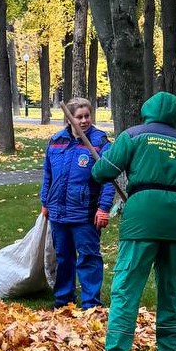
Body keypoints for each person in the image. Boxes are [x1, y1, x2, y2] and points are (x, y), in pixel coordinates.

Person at [90, 91, 176, 351]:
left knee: (126, 288)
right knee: (170, 286)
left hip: (142, 215)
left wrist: (102, 162)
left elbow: (103, 170)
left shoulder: (133, 135)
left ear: (147, 110)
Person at [41, 97, 114, 309]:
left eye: (87, 116)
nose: (84, 121)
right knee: (63, 257)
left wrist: (103, 208)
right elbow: (48, 175)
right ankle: (64, 300)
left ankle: (91, 303)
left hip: (85, 212)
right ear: (69, 117)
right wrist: (45, 202)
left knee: (89, 257)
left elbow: (108, 180)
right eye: (79, 116)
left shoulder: (99, 143)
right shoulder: (56, 141)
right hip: (58, 212)